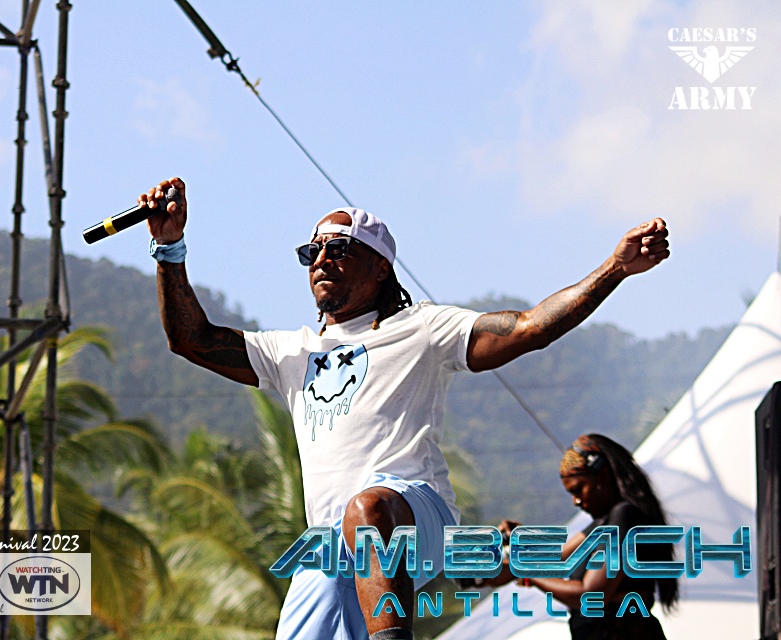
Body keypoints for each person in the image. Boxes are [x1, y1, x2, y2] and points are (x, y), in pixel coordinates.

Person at [138, 176, 671, 640]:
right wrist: (169, 248)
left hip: (415, 516)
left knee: (367, 508)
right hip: (329, 548)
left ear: (380, 267)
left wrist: (615, 268)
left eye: (338, 249)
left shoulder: (420, 329)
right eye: (312, 251)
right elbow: (192, 339)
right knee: (337, 539)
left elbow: (530, 328)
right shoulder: (292, 351)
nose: (321, 259)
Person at [502, 434, 680, 640]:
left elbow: (592, 595)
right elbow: (557, 557)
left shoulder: (625, 516)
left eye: (578, 489)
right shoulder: (602, 525)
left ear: (602, 476)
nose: (576, 501)